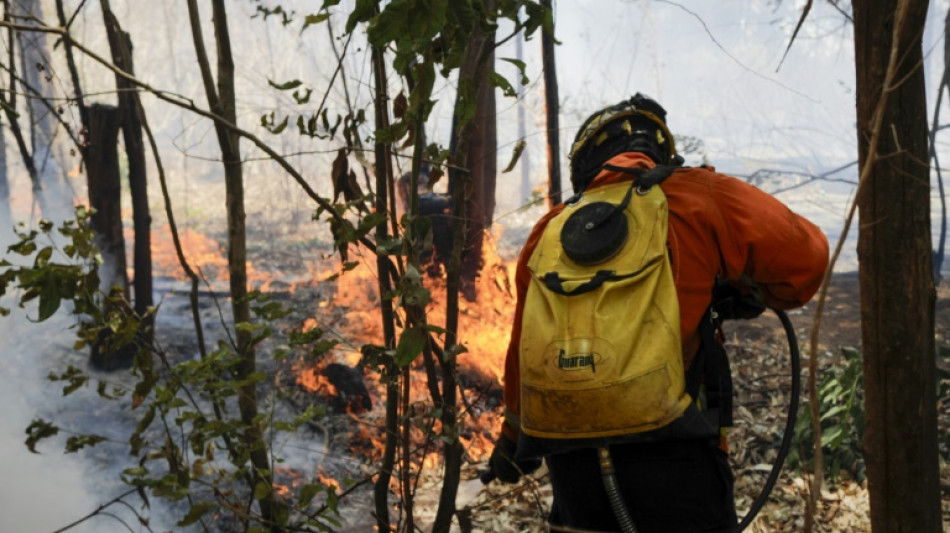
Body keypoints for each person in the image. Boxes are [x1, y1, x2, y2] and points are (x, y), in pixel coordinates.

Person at [488, 93, 829, 533]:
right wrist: (741, 287)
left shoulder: (547, 231)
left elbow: (522, 353)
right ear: (659, 152)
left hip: (575, 474)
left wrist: (512, 442)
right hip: (677, 462)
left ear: (586, 164)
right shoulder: (698, 195)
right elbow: (807, 261)